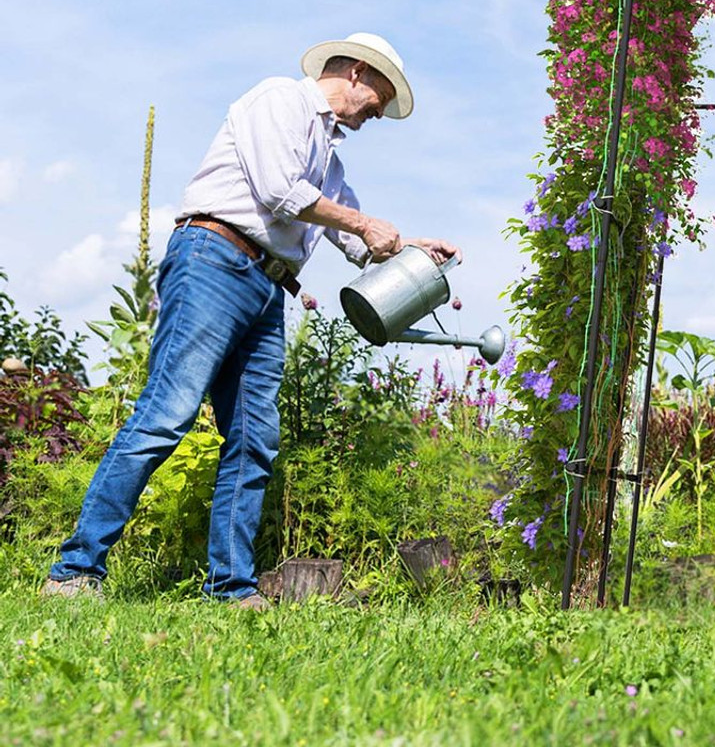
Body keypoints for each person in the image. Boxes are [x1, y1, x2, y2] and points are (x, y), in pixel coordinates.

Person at [41, 32, 458, 608]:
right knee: (166, 415)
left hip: (267, 287)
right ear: (357, 73)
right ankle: (74, 571)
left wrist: (410, 248)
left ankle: (231, 587)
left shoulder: (331, 159)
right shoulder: (279, 100)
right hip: (214, 261)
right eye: (379, 99)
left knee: (253, 439)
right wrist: (365, 225)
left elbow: (353, 238)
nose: (378, 114)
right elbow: (281, 192)